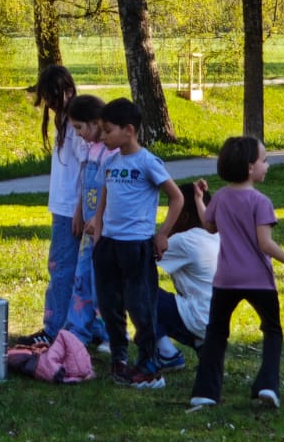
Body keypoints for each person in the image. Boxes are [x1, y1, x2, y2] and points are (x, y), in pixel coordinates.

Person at [187, 137, 284, 412]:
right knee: (272, 331)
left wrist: (200, 200)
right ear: (249, 167)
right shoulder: (261, 202)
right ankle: (267, 385)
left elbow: (208, 226)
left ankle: (205, 393)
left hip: (225, 281)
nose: (267, 165)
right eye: (264, 160)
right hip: (258, 280)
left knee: (215, 334)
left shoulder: (220, 197)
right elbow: (265, 244)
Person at [85, 97, 182, 388]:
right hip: (109, 246)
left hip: (136, 247)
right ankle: (119, 358)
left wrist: (162, 233)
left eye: (107, 130)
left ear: (129, 130)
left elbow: (176, 197)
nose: (102, 137)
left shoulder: (147, 162)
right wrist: (98, 226)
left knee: (140, 307)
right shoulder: (110, 162)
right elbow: (104, 196)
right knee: (110, 304)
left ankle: (150, 365)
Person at [32, 65, 86, 341]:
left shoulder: (76, 125)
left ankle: (54, 330)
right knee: (67, 269)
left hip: (70, 211)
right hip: (62, 208)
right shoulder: (64, 122)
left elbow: (88, 167)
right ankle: (73, 328)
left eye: (53, 100)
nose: (51, 107)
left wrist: (80, 209)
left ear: (67, 91)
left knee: (62, 269)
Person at [153, 180, 220, 370]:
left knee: (135, 288)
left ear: (184, 216)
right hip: (216, 322)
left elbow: (140, 256)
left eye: (172, 213)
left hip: (197, 317)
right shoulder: (217, 235)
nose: (168, 219)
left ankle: (167, 354)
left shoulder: (185, 241)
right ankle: (200, 342)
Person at [63, 94, 111, 349]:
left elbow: (110, 190)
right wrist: (79, 212)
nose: (78, 134)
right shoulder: (89, 149)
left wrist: (98, 218)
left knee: (101, 279)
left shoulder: (110, 150)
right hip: (87, 229)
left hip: (103, 230)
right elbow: (85, 184)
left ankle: (108, 333)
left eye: (80, 128)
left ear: (95, 123)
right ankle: (78, 330)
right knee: (82, 276)